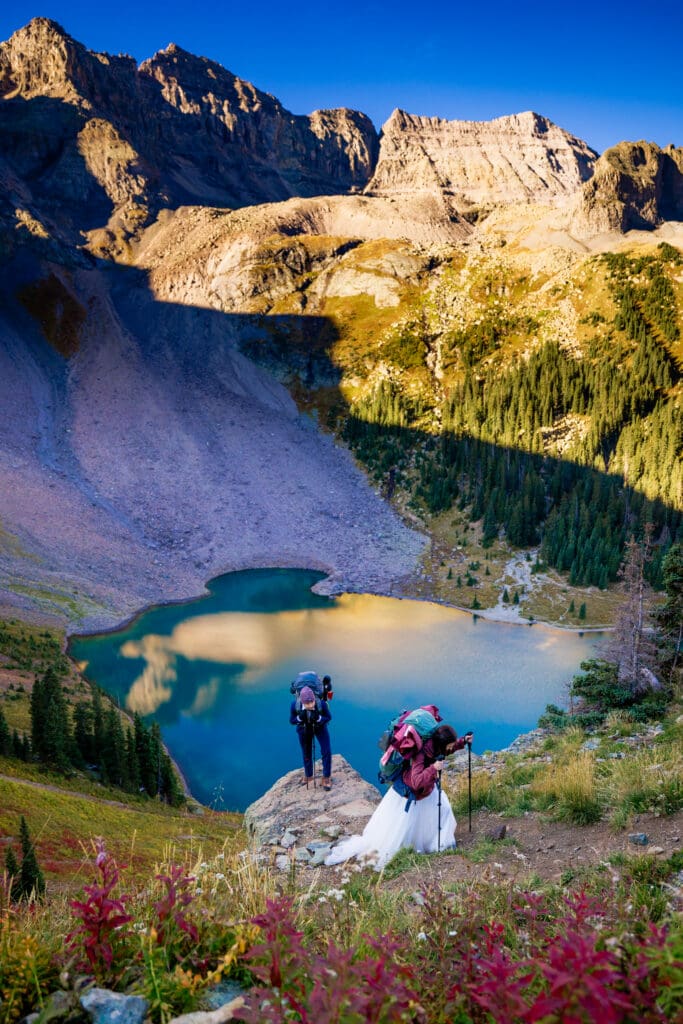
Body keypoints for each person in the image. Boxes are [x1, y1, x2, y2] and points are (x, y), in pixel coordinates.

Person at [325, 723, 473, 870]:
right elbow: (416, 782)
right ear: (441, 743)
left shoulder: (436, 746)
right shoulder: (421, 753)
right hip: (413, 794)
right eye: (449, 744)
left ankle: (436, 844)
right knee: (408, 828)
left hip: (426, 791)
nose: (450, 747)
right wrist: (433, 768)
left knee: (443, 810)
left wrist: (462, 742)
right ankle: (424, 847)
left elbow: (447, 749)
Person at [290, 685, 332, 790]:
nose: (310, 705)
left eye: (312, 702)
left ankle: (326, 777)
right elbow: (292, 720)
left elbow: (329, 717)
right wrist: (300, 717)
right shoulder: (295, 705)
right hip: (304, 729)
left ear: (314, 699)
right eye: (307, 703)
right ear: (302, 701)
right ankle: (308, 775)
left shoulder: (321, 704)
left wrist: (318, 718)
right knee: (306, 752)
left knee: (326, 751)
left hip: (320, 727)